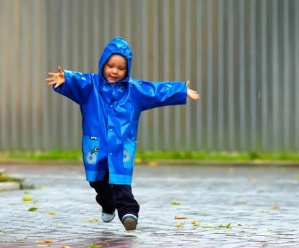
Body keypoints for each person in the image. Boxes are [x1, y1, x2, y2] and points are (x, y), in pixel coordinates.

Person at [45, 37, 200, 231]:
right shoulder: (90, 87)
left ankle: (129, 213)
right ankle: (107, 204)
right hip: (96, 144)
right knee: (97, 181)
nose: (114, 71)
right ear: (103, 64)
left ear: (127, 70)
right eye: (111, 66)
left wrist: (180, 90)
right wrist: (65, 79)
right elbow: (77, 81)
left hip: (121, 146)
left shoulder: (133, 90)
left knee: (120, 181)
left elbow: (155, 91)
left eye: (121, 68)